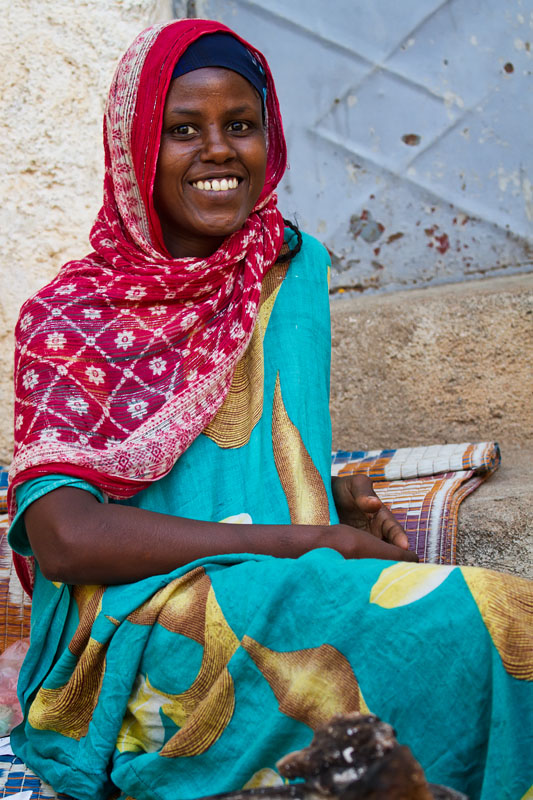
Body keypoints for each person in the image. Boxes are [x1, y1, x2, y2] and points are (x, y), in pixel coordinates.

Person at [7, 18, 532, 800]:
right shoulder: (72, 315)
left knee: (501, 613)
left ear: (271, 140)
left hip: (277, 575)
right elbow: (65, 539)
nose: (218, 150)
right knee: (460, 623)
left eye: (241, 126)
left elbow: (242, 458)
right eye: (182, 129)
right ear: (133, 153)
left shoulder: (288, 268)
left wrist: (329, 498)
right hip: (140, 616)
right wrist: (307, 539)